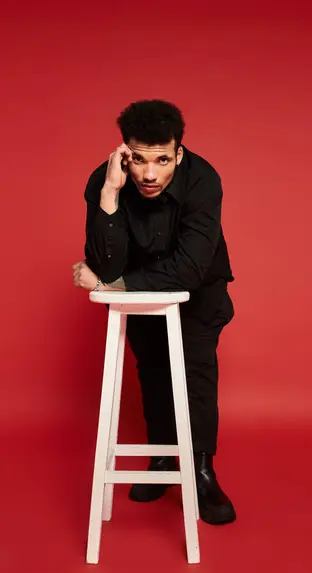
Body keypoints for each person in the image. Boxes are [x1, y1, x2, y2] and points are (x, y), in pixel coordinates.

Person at [72, 99, 236, 524]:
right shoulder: (104, 180)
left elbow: (190, 268)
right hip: (141, 293)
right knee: (153, 369)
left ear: (178, 153)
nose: (148, 174)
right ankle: (163, 461)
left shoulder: (203, 180)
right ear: (124, 151)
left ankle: (200, 470)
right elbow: (105, 261)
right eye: (139, 160)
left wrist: (113, 286)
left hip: (199, 293)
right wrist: (110, 194)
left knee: (195, 372)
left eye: (162, 160)